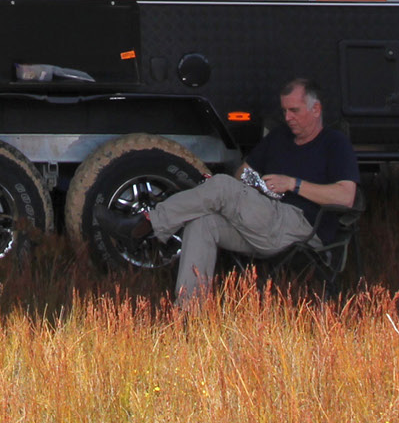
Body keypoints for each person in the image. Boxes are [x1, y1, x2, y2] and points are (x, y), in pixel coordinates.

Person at [96, 77, 359, 308]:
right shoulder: (279, 138)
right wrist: (246, 186)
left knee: (221, 186)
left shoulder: (334, 144)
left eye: (294, 111)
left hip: (301, 225)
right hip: (261, 219)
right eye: (285, 111)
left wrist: (293, 184)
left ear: (316, 109)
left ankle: (146, 224)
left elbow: (346, 197)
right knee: (203, 222)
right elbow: (241, 173)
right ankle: (188, 313)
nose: (288, 117)